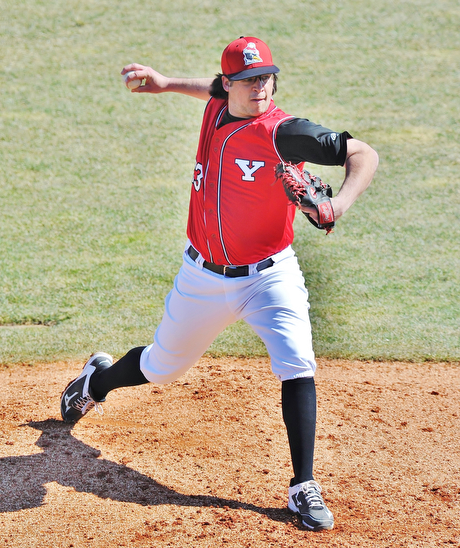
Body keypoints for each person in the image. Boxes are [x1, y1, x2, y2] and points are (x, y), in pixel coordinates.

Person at [59, 36, 378, 531]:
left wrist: (339, 205)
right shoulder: (216, 104)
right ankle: (94, 382)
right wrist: (164, 85)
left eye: (266, 78)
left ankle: (302, 486)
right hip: (202, 277)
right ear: (228, 84)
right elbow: (205, 88)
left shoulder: (284, 132)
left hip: (270, 276)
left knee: (297, 363)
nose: (260, 88)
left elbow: (364, 153)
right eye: (249, 80)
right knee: (161, 367)